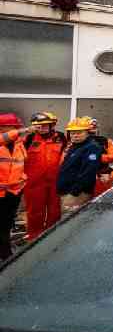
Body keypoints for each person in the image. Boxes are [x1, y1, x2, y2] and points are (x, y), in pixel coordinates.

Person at [23, 112, 67, 240]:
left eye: (45, 125)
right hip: (34, 182)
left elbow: (78, 144)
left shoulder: (61, 137)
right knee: (34, 212)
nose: (42, 128)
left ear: (52, 125)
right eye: (38, 126)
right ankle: (34, 237)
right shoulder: (28, 139)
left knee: (55, 211)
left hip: (55, 181)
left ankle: (51, 237)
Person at [0, 114, 31, 261]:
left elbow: (18, 166)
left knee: (6, 225)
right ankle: (6, 256)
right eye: (14, 126)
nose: (17, 129)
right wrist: (21, 131)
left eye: (16, 127)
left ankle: (5, 254)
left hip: (13, 192)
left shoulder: (19, 144)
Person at [57, 117, 103, 214]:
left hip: (77, 194)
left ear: (87, 132)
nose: (75, 135)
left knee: (71, 223)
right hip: (67, 191)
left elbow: (88, 173)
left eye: (79, 132)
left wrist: (74, 193)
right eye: (72, 133)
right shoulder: (75, 146)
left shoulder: (91, 148)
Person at [86, 117, 113, 196]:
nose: (93, 128)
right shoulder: (78, 140)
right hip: (83, 176)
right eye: (91, 126)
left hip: (102, 176)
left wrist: (99, 158)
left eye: (95, 126)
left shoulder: (105, 141)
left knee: (101, 200)